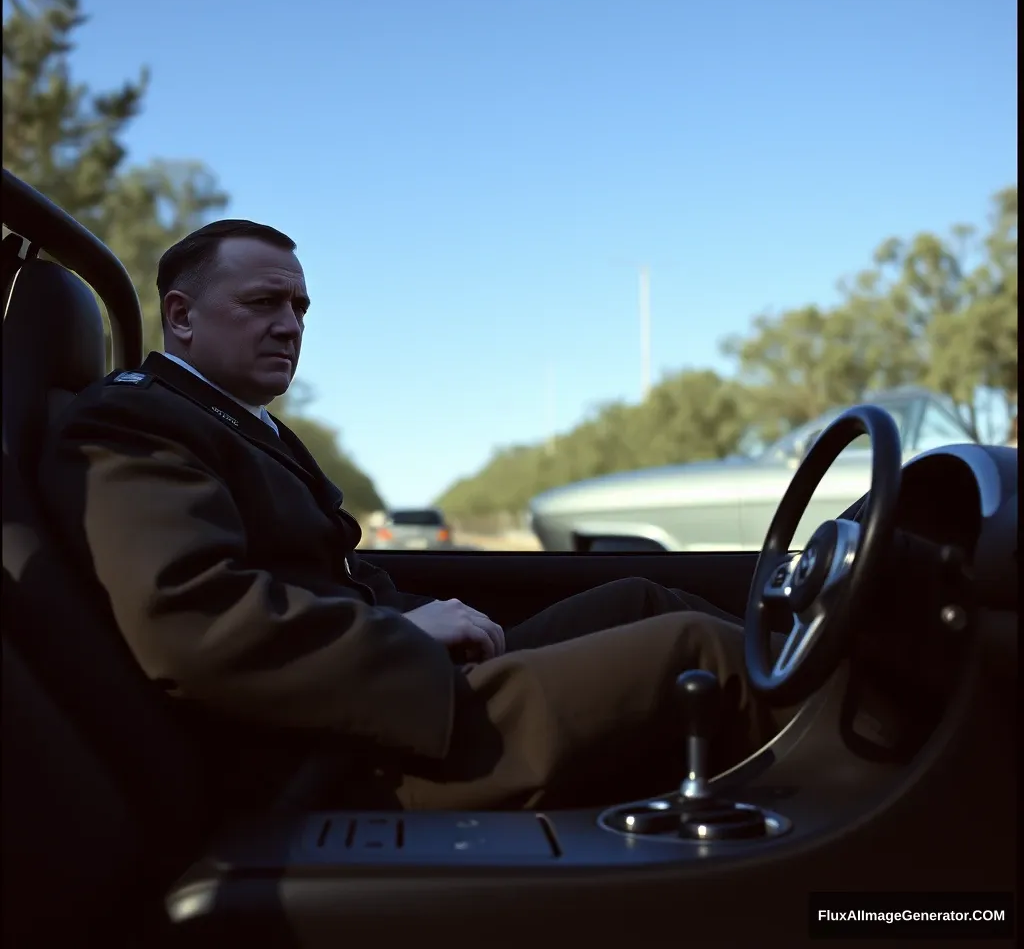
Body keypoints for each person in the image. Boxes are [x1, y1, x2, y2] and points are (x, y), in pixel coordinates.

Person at [37, 220, 790, 812]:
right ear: (181, 315)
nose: (291, 324)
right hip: (333, 744)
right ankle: (876, 797)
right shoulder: (132, 422)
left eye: (300, 307)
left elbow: (322, 571)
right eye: (263, 302)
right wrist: (399, 630)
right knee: (696, 652)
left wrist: (420, 618)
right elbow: (193, 625)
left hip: (380, 694)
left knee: (640, 600)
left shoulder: (226, 420)